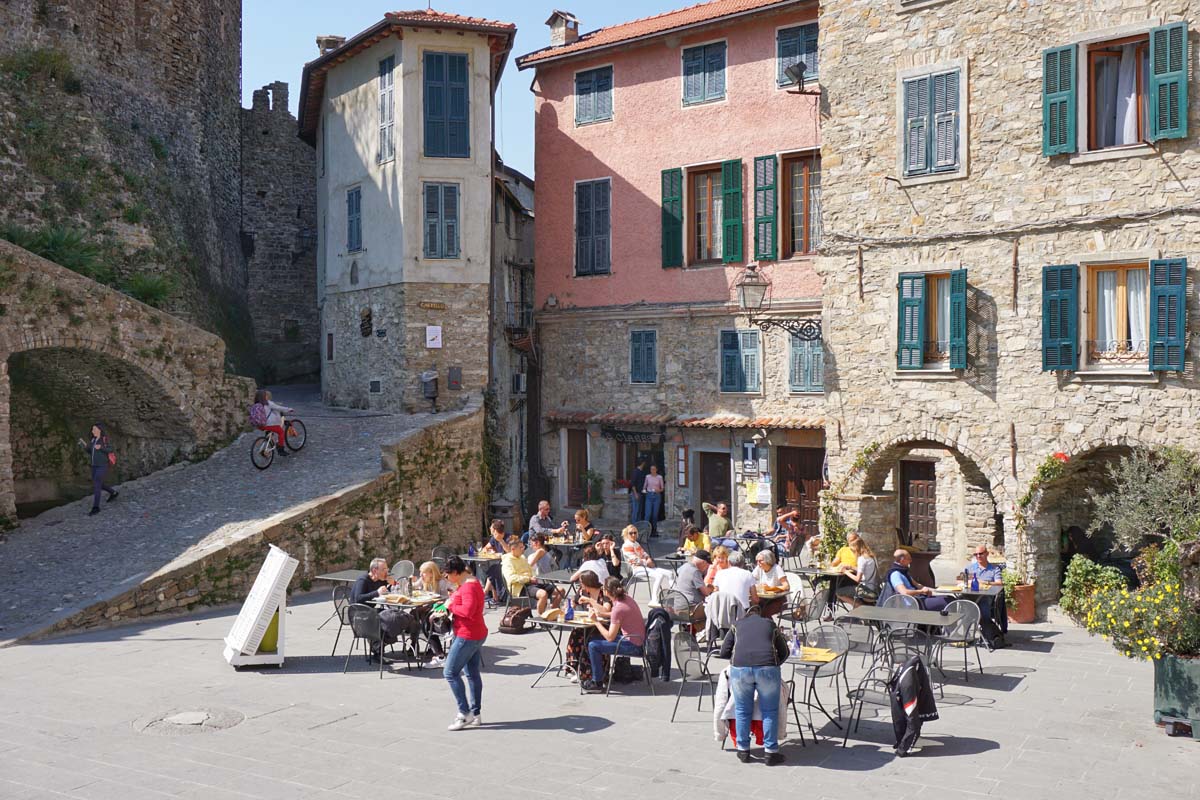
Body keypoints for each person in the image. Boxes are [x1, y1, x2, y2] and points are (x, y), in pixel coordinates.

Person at [718, 604, 789, 765]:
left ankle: (743, 751)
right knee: (769, 711)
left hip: (740, 670)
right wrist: (774, 665)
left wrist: (738, 659)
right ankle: (771, 752)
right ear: (761, 616)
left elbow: (724, 652)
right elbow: (784, 652)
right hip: (767, 669)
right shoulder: (770, 625)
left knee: (742, 710)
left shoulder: (736, 625)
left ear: (746, 615)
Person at [443, 556, 487, 730]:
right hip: (477, 633)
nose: (446, 578)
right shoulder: (472, 582)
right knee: (472, 674)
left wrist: (450, 606)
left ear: (455, 573)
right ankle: (476, 714)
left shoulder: (468, 587)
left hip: (467, 635)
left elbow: (467, 611)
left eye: (447, 575)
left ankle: (464, 713)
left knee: (450, 672)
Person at [582, 577, 647, 692]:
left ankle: (597, 682)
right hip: (638, 640)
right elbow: (618, 613)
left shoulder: (618, 608)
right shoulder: (626, 599)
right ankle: (602, 673)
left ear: (606, 592)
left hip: (633, 645)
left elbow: (610, 637)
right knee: (594, 638)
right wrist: (603, 613)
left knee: (593, 645)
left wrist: (595, 621)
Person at [564, 571, 612, 683]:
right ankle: (576, 668)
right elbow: (573, 603)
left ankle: (589, 673)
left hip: (602, 625)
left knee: (589, 639)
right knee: (575, 635)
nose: (580, 585)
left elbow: (606, 610)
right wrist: (569, 606)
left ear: (587, 583)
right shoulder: (582, 591)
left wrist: (590, 601)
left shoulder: (603, 592)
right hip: (588, 624)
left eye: (581, 582)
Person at [964, 546, 1009, 646]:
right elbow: (961, 581)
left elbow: (999, 583)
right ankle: (963, 634)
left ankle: (987, 631)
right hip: (971, 596)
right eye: (976, 554)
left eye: (981, 553)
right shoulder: (969, 568)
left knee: (983, 603)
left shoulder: (994, 569)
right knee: (960, 601)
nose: (978, 556)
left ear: (987, 554)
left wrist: (985, 582)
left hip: (987, 597)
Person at [879, 549, 950, 612]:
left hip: (918, 598)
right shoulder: (895, 575)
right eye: (909, 559)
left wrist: (936, 590)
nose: (911, 561)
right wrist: (921, 591)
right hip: (913, 604)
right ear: (902, 560)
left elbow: (917, 585)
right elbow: (904, 592)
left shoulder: (904, 572)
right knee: (947, 602)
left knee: (949, 598)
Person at [620, 525, 674, 605]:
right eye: (631, 533)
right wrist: (647, 562)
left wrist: (648, 559)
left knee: (670, 573)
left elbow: (644, 553)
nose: (633, 535)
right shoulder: (627, 545)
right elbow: (635, 560)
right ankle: (654, 600)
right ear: (627, 535)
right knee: (659, 576)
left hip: (645, 567)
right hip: (636, 569)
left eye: (635, 533)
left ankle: (676, 595)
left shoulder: (636, 543)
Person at [414, 561, 453, 665]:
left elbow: (449, 597)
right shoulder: (423, 580)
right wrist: (409, 582)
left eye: (423, 572)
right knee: (414, 613)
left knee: (426, 623)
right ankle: (415, 645)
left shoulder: (442, 582)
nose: (421, 575)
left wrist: (437, 604)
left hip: (442, 609)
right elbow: (413, 587)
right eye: (421, 572)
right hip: (430, 607)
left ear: (432, 573)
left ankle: (439, 653)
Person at [79, 423, 118, 515]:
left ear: (99, 430)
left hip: (102, 465)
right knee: (99, 483)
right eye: (92, 430)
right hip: (94, 466)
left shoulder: (104, 439)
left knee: (97, 485)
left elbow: (110, 449)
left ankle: (96, 507)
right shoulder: (93, 440)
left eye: (94, 429)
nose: (93, 431)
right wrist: (84, 446)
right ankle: (113, 493)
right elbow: (91, 452)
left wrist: (101, 447)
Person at [836, 536, 880, 607]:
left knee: (839, 592)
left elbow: (857, 579)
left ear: (856, 549)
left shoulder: (862, 559)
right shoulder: (871, 556)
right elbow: (865, 570)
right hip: (875, 588)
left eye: (853, 550)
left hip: (867, 590)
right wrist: (850, 567)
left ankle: (860, 606)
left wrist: (845, 572)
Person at [249, 390, 293, 458]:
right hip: (268, 425)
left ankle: (269, 443)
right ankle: (281, 450)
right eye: (266, 395)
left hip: (259, 425)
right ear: (264, 396)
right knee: (281, 432)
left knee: (269, 432)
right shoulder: (268, 403)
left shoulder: (256, 404)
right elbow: (278, 408)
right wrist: (288, 409)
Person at [751, 550, 791, 616]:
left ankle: (769, 625)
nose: (758, 563)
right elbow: (750, 579)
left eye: (760, 561)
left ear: (768, 560)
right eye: (757, 561)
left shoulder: (777, 568)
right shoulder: (759, 568)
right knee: (752, 610)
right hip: (763, 599)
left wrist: (770, 588)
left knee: (764, 613)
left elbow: (786, 586)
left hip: (777, 600)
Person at [642, 464, 665, 537]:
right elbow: (644, 487)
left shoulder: (659, 477)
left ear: (656, 470)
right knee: (647, 514)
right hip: (649, 495)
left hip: (657, 495)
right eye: (651, 469)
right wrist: (645, 491)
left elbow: (662, 488)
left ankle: (654, 530)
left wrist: (659, 490)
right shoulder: (647, 476)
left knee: (655, 514)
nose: (652, 471)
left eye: (654, 469)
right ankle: (645, 530)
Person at [630, 459, 648, 523]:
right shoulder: (636, 472)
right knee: (635, 510)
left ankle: (638, 525)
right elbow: (633, 484)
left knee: (639, 511)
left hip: (640, 493)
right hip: (636, 493)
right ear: (642, 463)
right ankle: (634, 525)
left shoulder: (642, 472)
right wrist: (635, 494)